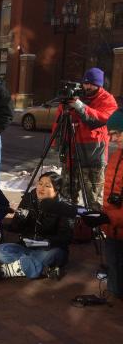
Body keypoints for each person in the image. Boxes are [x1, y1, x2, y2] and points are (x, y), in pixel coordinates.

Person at [53, 67, 118, 211]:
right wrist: (58, 143)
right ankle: (69, 226)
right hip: (71, 154)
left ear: (99, 84)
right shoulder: (76, 95)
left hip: (93, 155)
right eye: (85, 83)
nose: (87, 86)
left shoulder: (107, 99)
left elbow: (98, 120)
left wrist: (79, 105)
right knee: (67, 195)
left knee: (93, 198)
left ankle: (93, 230)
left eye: (91, 84)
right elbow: (59, 121)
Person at [0, 172, 74, 281]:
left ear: (56, 190)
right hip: (26, 247)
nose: (41, 188)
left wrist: (48, 241)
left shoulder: (65, 206)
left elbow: (66, 237)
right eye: (40, 184)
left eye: (47, 186)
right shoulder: (29, 198)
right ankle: (42, 269)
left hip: (48, 250)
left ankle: (10, 269)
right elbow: (15, 227)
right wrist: (21, 219)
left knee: (54, 255)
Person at [83, 108, 123, 300]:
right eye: (111, 134)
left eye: (116, 134)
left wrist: (108, 217)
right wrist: (103, 217)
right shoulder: (117, 156)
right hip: (114, 229)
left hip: (118, 224)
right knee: (115, 279)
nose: (113, 139)